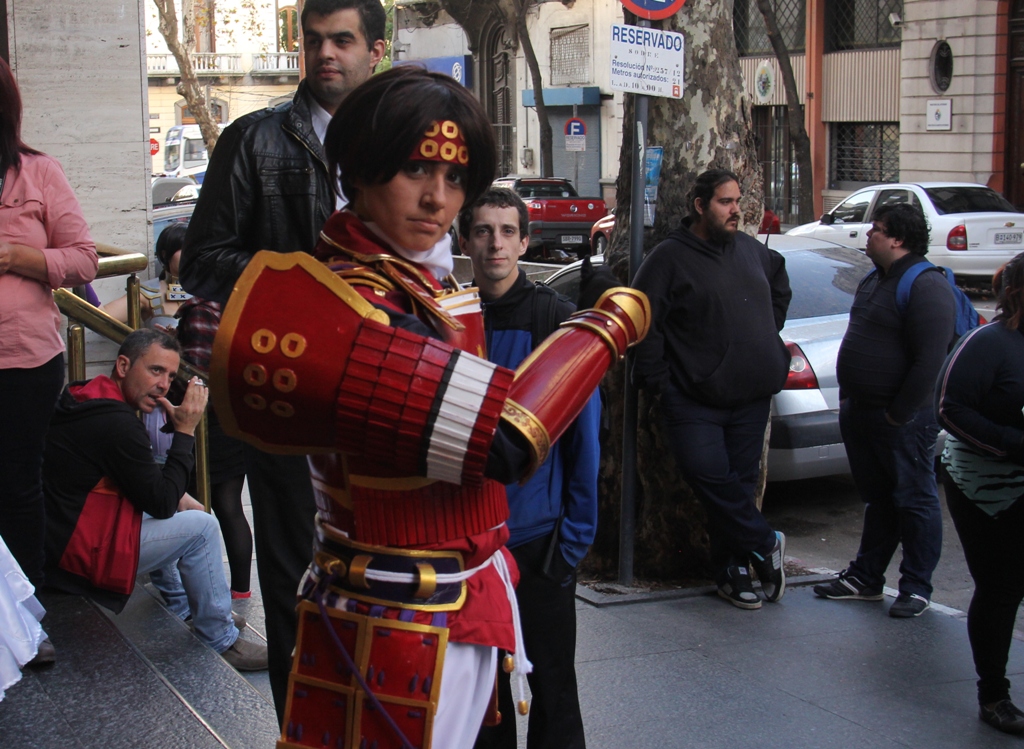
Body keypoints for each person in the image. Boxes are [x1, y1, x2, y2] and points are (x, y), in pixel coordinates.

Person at [209, 66, 648, 749]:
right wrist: (610, 323)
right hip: (391, 614)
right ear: (358, 170)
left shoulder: (425, 287)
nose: (437, 197)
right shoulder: (347, 308)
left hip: (462, 591)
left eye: (454, 176)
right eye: (415, 168)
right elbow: (506, 437)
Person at [178, 0, 386, 717]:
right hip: (291, 390)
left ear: (376, 51)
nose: (326, 53)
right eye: (315, 40)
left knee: (384, 574)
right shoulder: (254, 140)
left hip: (388, 390)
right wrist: (306, 285)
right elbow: (203, 262)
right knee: (301, 575)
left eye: (343, 40)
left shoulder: (401, 139)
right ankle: (304, 728)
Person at [40, 329, 268, 671]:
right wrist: (186, 430)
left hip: (58, 538)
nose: (163, 384)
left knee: (180, 505)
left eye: (171, 375)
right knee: (202, 527)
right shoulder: (116, 424)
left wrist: (176, 496)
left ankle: (180, 607)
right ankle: (220, 637)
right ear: (122, 365)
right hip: (79, 554)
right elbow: (159, 502)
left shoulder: (83, 395)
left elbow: (141, 483)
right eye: (155, 370)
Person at [461, 188, 599, 749]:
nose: (495, 243)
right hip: (469, 548)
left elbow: (584, 439)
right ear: (466, 240)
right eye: (483, 230)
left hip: (538, 544)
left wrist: (572, 542)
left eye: (507, 231)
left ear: (524, 240)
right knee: (484, 698)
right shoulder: (450, 319)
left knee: (553, 688)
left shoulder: (555, 319)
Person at [631, 169, 791, 610]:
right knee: (707, 474)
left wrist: (762, 333)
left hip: (752, 393)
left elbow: (780, 284)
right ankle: (764, 540)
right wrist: (659, 381)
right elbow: (644, 322)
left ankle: (733, 569)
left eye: (738, 201)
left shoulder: (750, 250)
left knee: (737, 485)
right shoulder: (669, 258)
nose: (736, 210)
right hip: (692, 397)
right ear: (700, 206)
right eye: (725, 202)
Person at [0, 57, 98, 667]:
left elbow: (84, 259)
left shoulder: (37, 173)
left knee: (16, 490)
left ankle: (25, 625)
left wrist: (16, 256)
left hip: (25, 361)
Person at [814, 203, 956, 617]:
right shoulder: (875, 279)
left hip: (901, 419)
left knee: (914, 499)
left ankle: (916, 586)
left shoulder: (926, 286)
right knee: (879, 500)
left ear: (898, 239)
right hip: (861, 411)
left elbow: (929, 361)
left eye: (876, 229)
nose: (868, 235)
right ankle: (866, 577)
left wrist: (898, 414)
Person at [934, 253, 1024, 735]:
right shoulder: (988, 344)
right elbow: (950, 410)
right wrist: (1013, 445)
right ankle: (994, 695)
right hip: (985, 486)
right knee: (1002, 585)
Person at [175, 295, 253, 598]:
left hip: (206, 422)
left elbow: (194, 374)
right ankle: (240, 590)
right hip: (235, 417)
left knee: (196, 506)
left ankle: (200, 591)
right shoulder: (239, 303)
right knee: (230, 506)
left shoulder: (201, 310)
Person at [102, 221, 191, 331]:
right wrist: (82, 276)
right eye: (184, 248)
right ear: (165, 254)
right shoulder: (146, 293)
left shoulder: (210, 290)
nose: (190, 254)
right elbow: (101, 317)